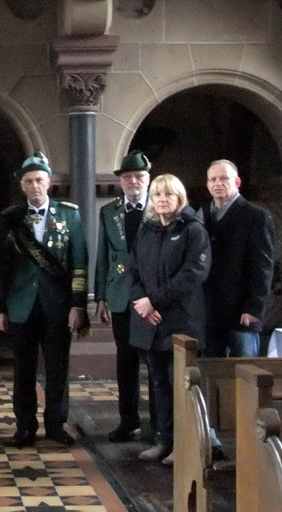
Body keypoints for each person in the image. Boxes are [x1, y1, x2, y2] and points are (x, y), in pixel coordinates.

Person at [0, 152, 88, 448]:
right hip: (21, 305)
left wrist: (78, 304)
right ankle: (24, 426)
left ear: (49, 183)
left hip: (58, 306)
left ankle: (56, 425)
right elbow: (0, 267)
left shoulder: (69, 215)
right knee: (23, 370)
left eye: (40, 180)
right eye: (29, 181)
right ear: (22, 185)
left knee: (58, 369)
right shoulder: (10, 218)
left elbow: (79, 262)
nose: (35, 186)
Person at [129, 174, 211, 463]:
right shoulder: (148, 230)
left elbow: (193, 274)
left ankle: (185, 445)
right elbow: (134, 269)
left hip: (182, 322)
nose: (162, 200)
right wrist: (142, 303)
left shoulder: (193, 230)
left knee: (182, 388)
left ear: (180, 199)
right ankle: (163, 440)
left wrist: (155, 300)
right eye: (157, 195)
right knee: (158, 385)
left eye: (168, 195)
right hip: (151, 323)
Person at [94, 150, 153, 442]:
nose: (133, 182)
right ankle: (128, 420)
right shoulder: (109, 211)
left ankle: (158, 423)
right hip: (119, 294)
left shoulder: (160, 206)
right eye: (127, 177)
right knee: (125, 361)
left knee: (154, 361)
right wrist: (101, 296)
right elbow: (103, 256)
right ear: (120, 181)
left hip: (151, 296)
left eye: (139, 176)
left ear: (148, 179)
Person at [203, 159, 274, 357]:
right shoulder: (202, 216)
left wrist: (254, 308)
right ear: (208, 184)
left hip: (242, 314)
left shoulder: (257, 216)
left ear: (237, 182)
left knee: (244, 376)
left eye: (224, 178)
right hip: (210, 313)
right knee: (211, 375)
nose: (218, 183)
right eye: (213, 179)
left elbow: (263, 267)